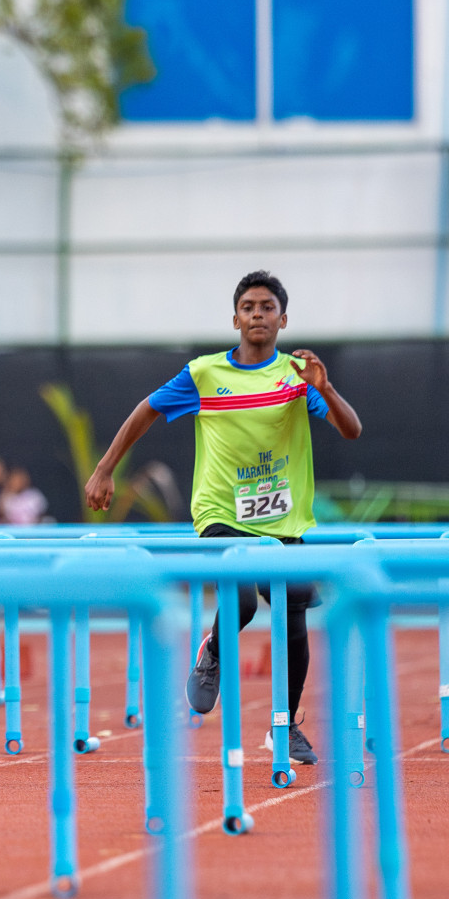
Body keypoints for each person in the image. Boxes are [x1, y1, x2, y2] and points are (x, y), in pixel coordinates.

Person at [86, 270, 362, 766]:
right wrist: (105, 468)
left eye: (267, 307)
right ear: (235, 317)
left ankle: (284, 727)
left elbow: (352, 430)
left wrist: (327, 387)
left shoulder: (298, 377)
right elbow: (145, 411)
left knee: (293, 613)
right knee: (243, 597)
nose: (258, 314)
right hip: (221, 511)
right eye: (249, 306)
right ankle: (213, 649)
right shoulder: (204, 374)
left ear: (283, 319)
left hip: (284, 519)